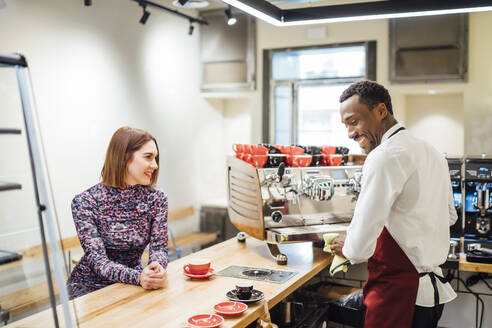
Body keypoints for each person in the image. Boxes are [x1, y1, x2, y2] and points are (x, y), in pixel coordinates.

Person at [330, 81, 458, 328]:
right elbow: (449, 216)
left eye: (354, 121)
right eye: (346, 126)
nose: (350, 133)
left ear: (380, 111)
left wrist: (348, 244)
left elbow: (358, 250)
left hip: (399, 296)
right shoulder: (432, 152)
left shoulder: (384, 155)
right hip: (430, 299)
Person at [66, 126, 168, 299]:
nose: (155, 165)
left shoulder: (157, 198)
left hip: (134, 285)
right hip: (89, 290)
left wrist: (156, 266)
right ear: (123, 158)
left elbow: (159, 247)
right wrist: (139, 277)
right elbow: (98, 262)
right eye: (148, 157)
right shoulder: (85, 202)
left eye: (156, 158)